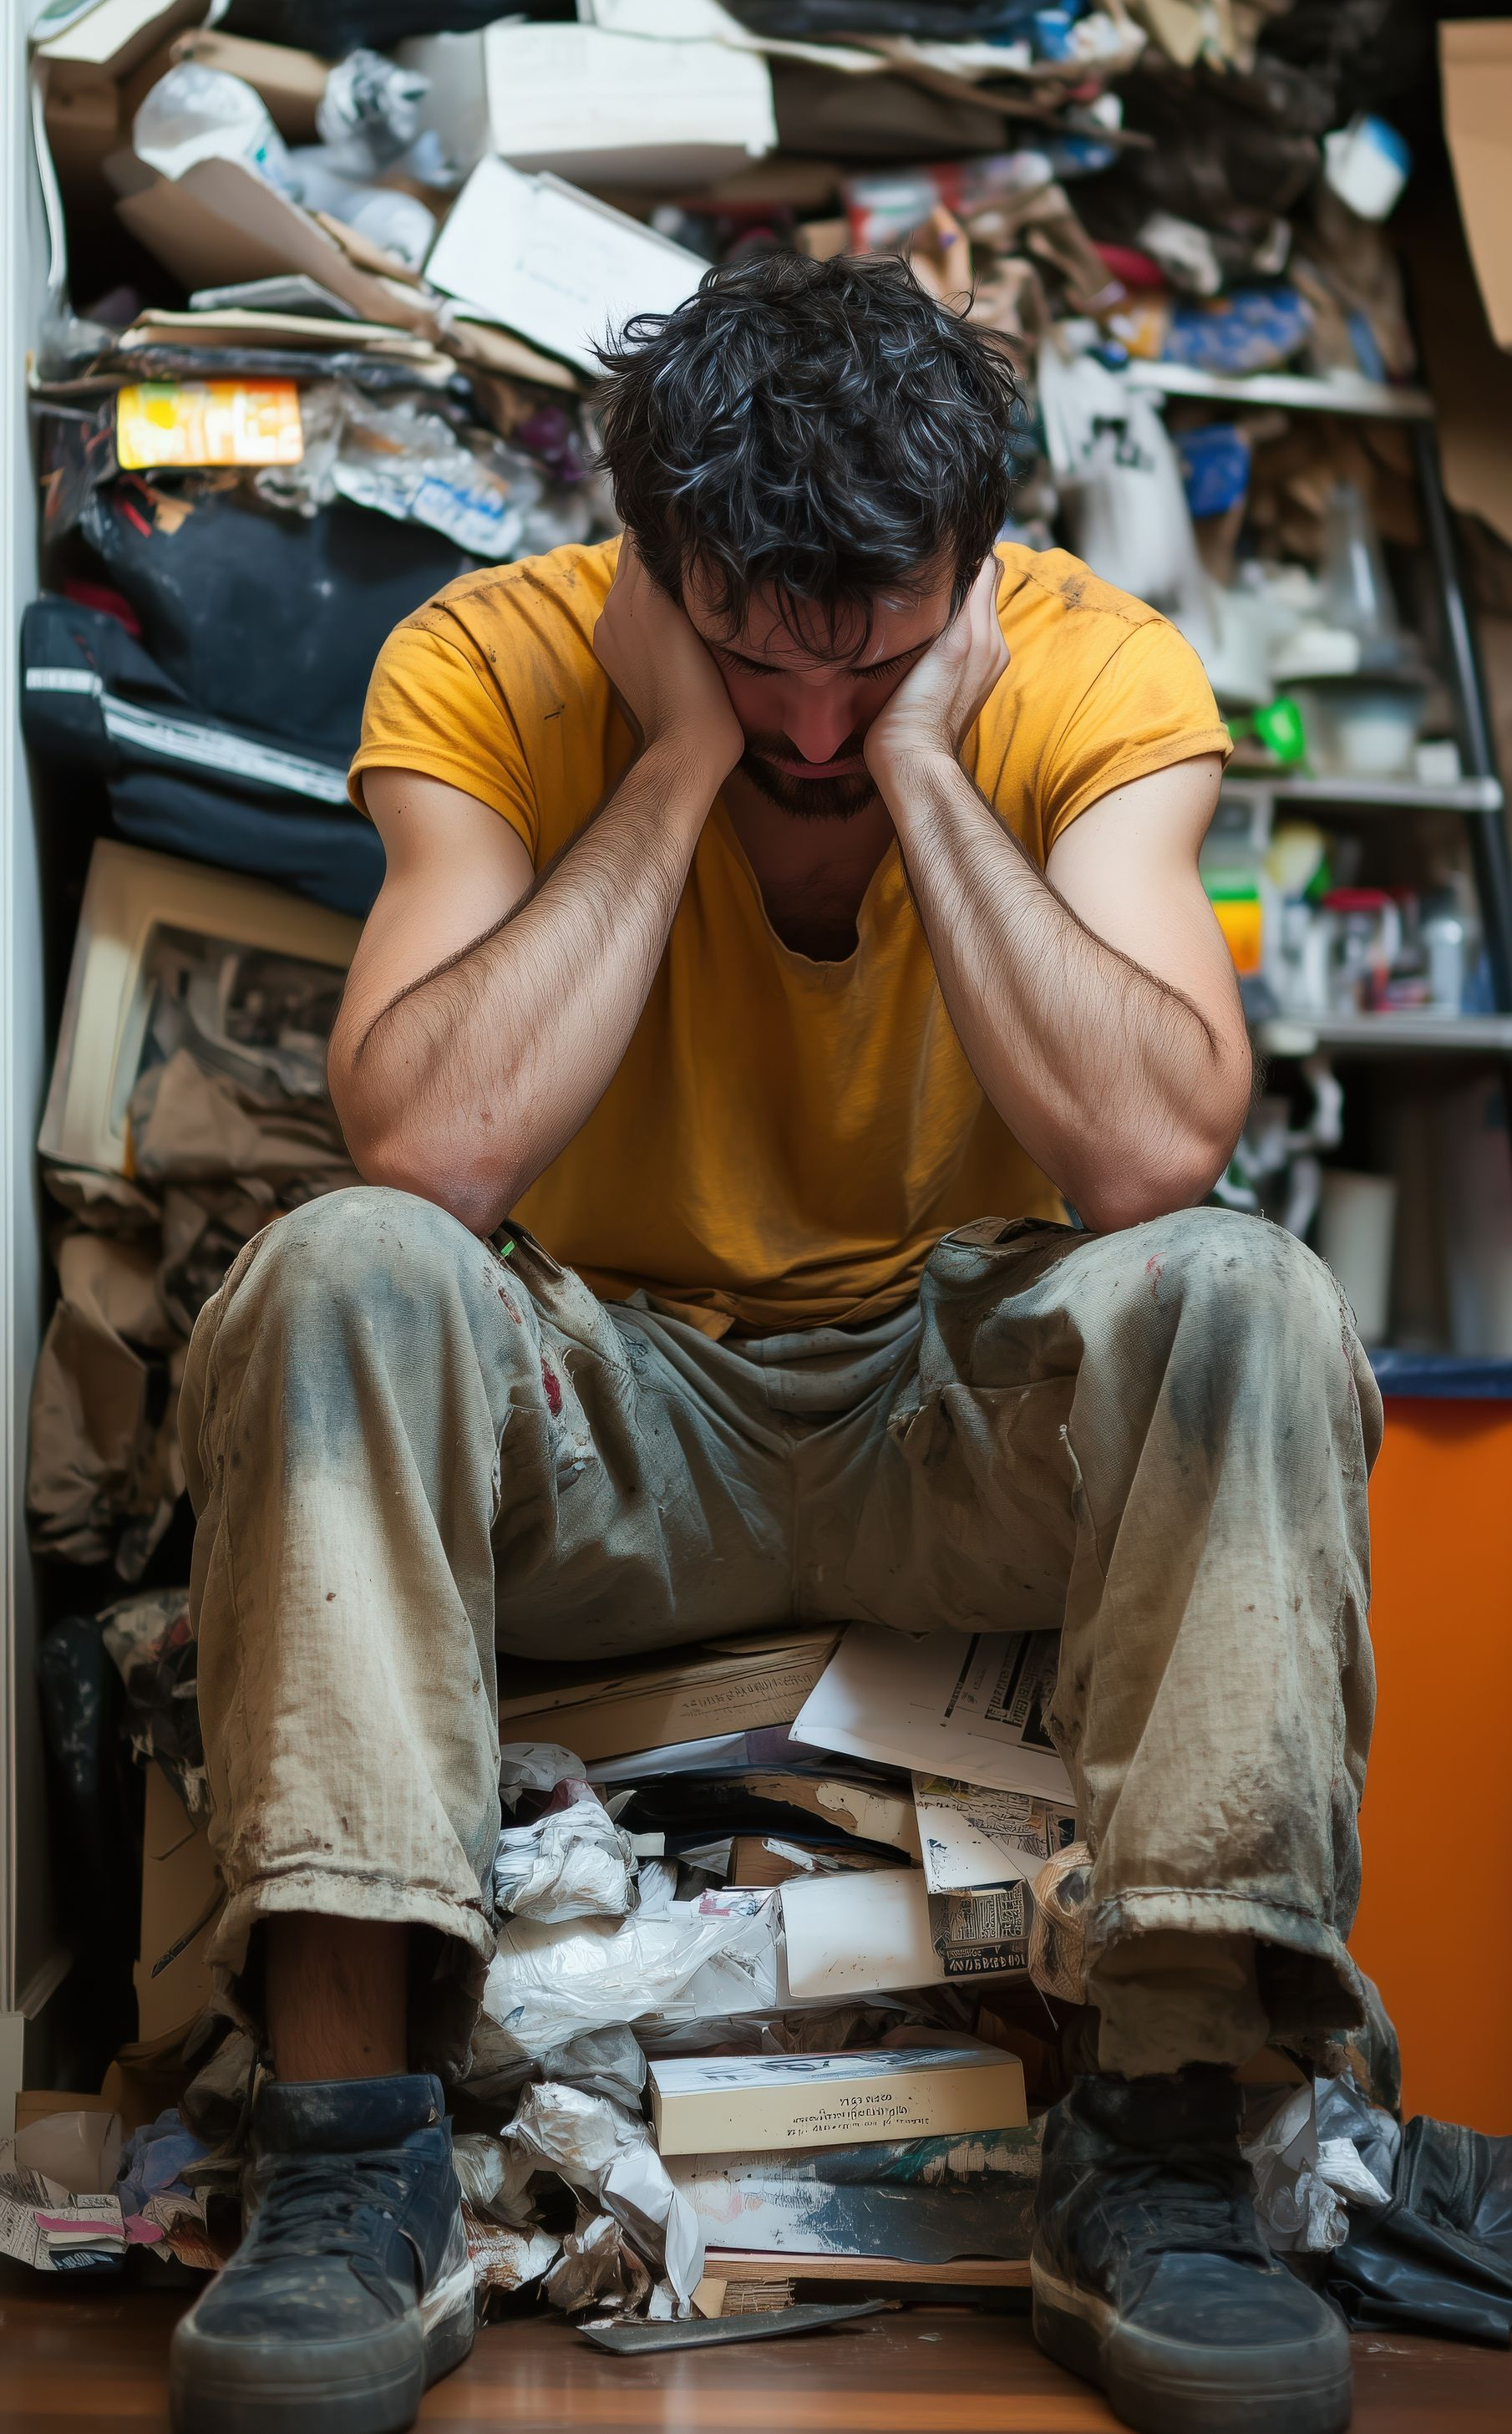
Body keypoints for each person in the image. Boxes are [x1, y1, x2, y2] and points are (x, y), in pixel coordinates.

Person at [169, 254, 1378, 2434]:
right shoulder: (498, 656)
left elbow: (1147, 1151)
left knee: (1249, 1300)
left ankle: (1166, 2153)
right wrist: (673, 752)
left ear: (978, 569)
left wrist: (929, 761)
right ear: (651, 566)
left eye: (884, 657)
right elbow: (427, 1144)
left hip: (953, 1410)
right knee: (342, 1266)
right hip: (605, 1414)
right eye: (752, 653)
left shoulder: (1091, 672)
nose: (811, 726)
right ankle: (351, 2169)